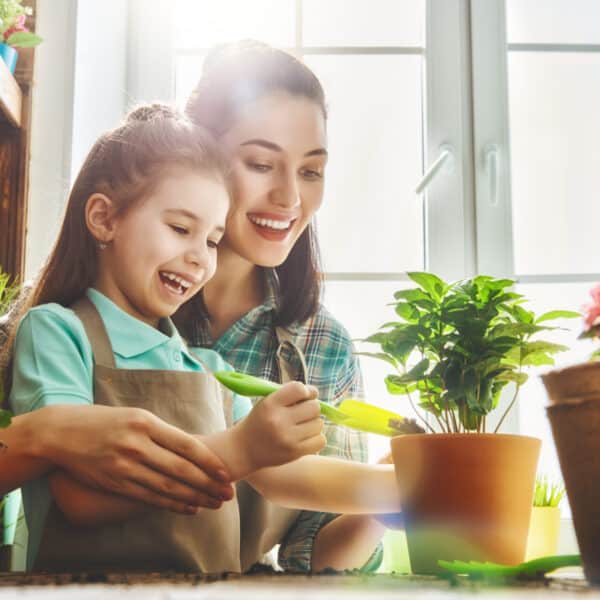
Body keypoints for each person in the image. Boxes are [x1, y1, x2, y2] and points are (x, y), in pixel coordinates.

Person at [7, 104, 400, 573]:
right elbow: (81, 499)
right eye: (179, 229)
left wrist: (401, 485)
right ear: (103, 218)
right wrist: (240, 450)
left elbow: (285, 475)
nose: (199, 258)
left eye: (212, 240)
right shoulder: (58, 331)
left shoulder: (208, 368)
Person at [176, 40, 388, 573]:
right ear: (197, 155)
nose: (290, 198)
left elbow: (316, 558)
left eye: (311, 171)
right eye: (261, 163)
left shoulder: (323, 346)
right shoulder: (110, 314)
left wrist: (399, 491)